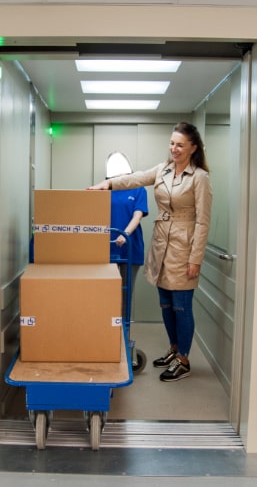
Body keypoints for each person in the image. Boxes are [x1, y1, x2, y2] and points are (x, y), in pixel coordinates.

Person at [88, 122, 212, 382]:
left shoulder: (199, 177)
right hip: (162, 243)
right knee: (165, 303)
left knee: (181, 305)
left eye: (180, 144)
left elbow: (203, 221)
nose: (174, 148)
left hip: (184, 245)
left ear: (193, 148)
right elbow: (135, 178)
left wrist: (195, 259)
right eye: (171, 143)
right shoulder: (163, 170)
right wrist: (107, 185)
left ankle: (184, 359)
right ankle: (174, 349)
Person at [105, 152, 149, 320]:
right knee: (107, 294)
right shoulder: (106, 187)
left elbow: (137, 215)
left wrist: (125, 234)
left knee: (125, 293)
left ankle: (123, 334)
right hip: (107, 248)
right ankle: (106, 332)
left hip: (130, 247)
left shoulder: (139, 189)